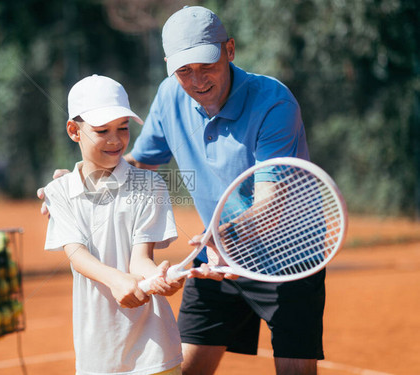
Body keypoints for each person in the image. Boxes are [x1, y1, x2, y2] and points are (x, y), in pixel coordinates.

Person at [39, 6, 324, 375]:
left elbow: (271, 202)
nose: (197, 80)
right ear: (169, 66)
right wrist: (81, 182)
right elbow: (135, 166)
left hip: (288, 260)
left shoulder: (274, 103)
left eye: (207, 66)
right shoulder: (170, 96)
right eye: (184, 71)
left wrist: (223, 236)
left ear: (230, 50)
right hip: (216, 259)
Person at [42, 74, 184, 375]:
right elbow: (77, 255)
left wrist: (158, 278)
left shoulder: (151, 184)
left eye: (123, 128)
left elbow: (141, 259)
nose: (116, 139)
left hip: (155, 353)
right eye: (102, 130)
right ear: (74, 131)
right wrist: (116, 280)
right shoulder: (57, 191)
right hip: (98, 355)